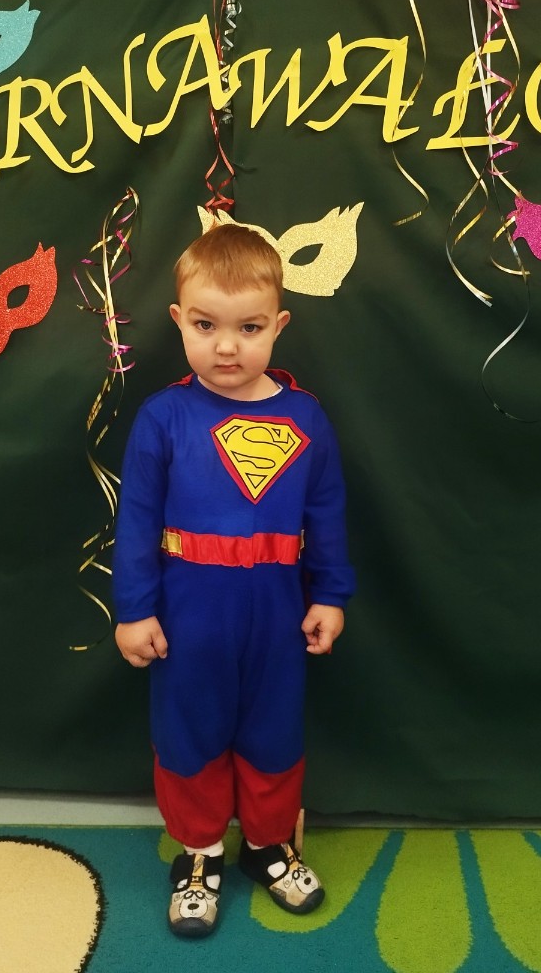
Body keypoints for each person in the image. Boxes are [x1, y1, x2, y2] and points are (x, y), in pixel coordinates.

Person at [113, 223, 355, 938]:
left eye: (249, 327)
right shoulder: (164, 417)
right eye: (206, 325)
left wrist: (330, 594)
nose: (227, 347)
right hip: (188, 615)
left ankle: (269, 846)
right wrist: (134, 609)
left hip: (278, 615)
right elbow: (136, 520)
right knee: (189, 734)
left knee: (274, 734)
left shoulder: (305, 416)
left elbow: (327, 512)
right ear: (177, 321)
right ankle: (198, 853)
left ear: (279, 324)